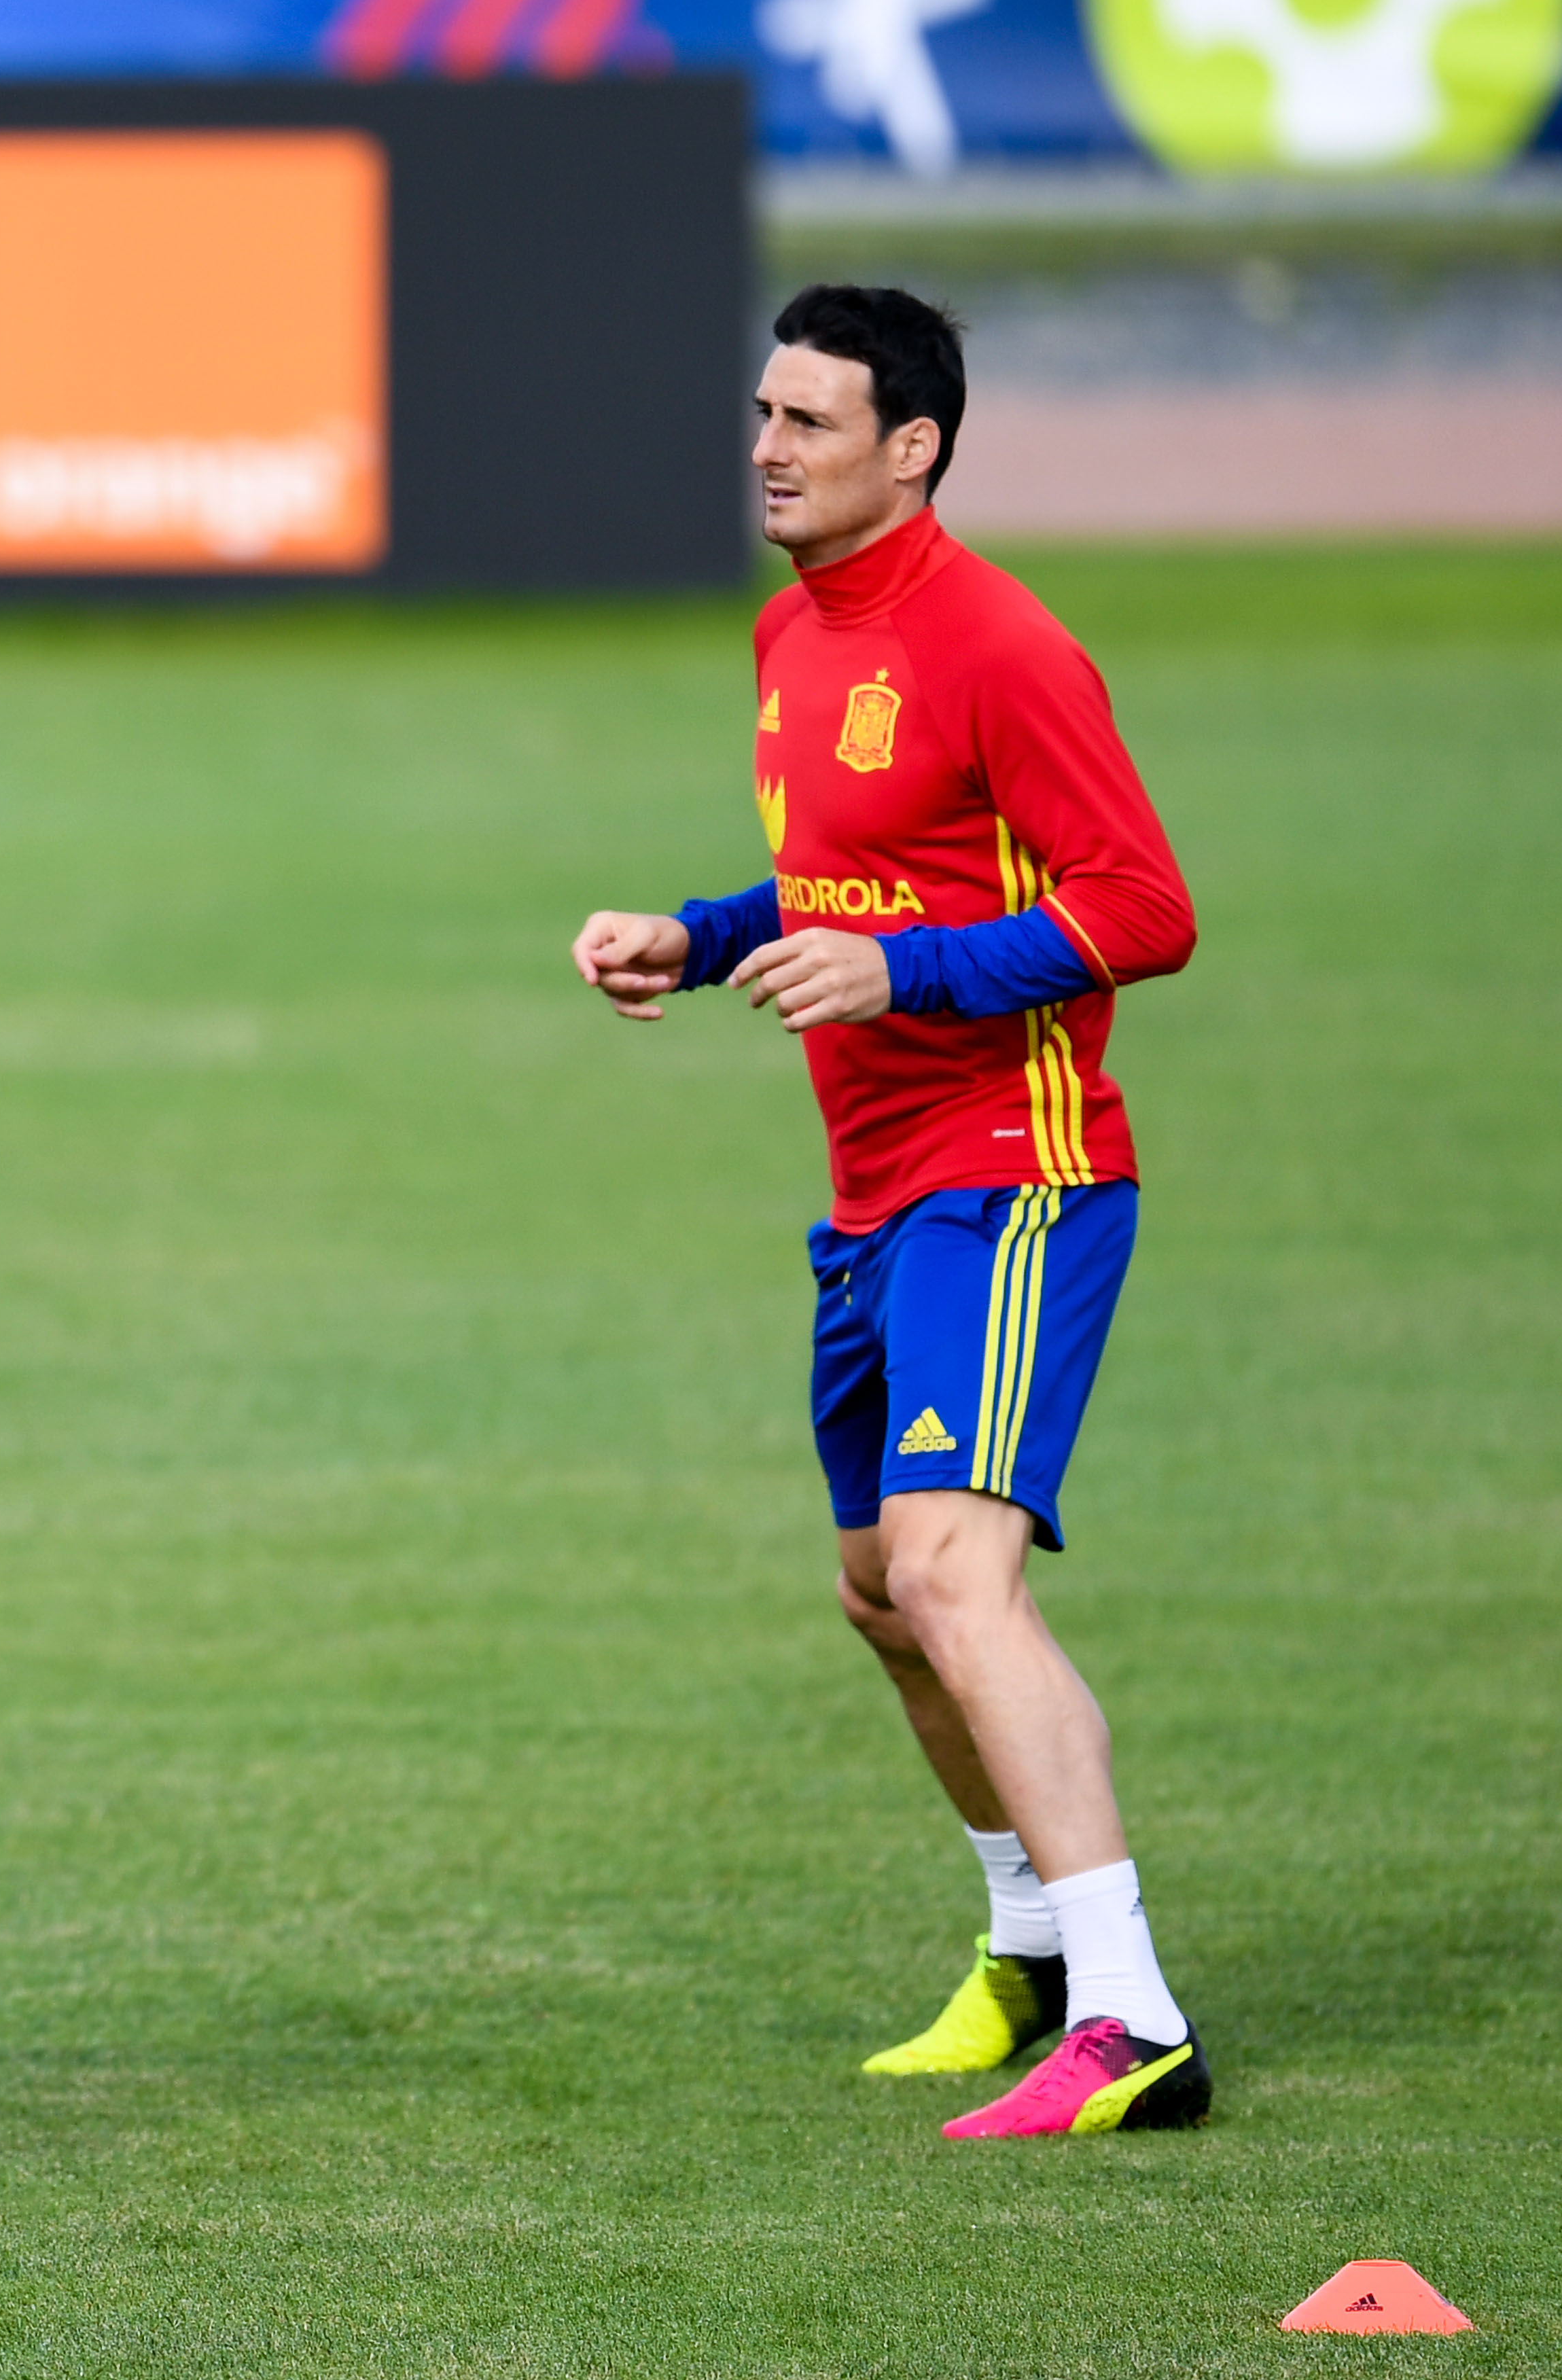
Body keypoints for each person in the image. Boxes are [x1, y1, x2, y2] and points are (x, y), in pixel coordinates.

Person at [571, 285, 1207, 2139]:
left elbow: (1143, 909)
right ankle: (1033, 1950)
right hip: (873, 1197)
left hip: (1014, 1177)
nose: (768, 449)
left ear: (911, 448)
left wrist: (902, 975)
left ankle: (1136, 2019)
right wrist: (700, 937)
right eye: (762, 414)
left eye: (810, 423)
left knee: (950, 1573)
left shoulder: (1003, 644)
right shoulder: (795, 629)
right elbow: (848, 877)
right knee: (880, 1596)